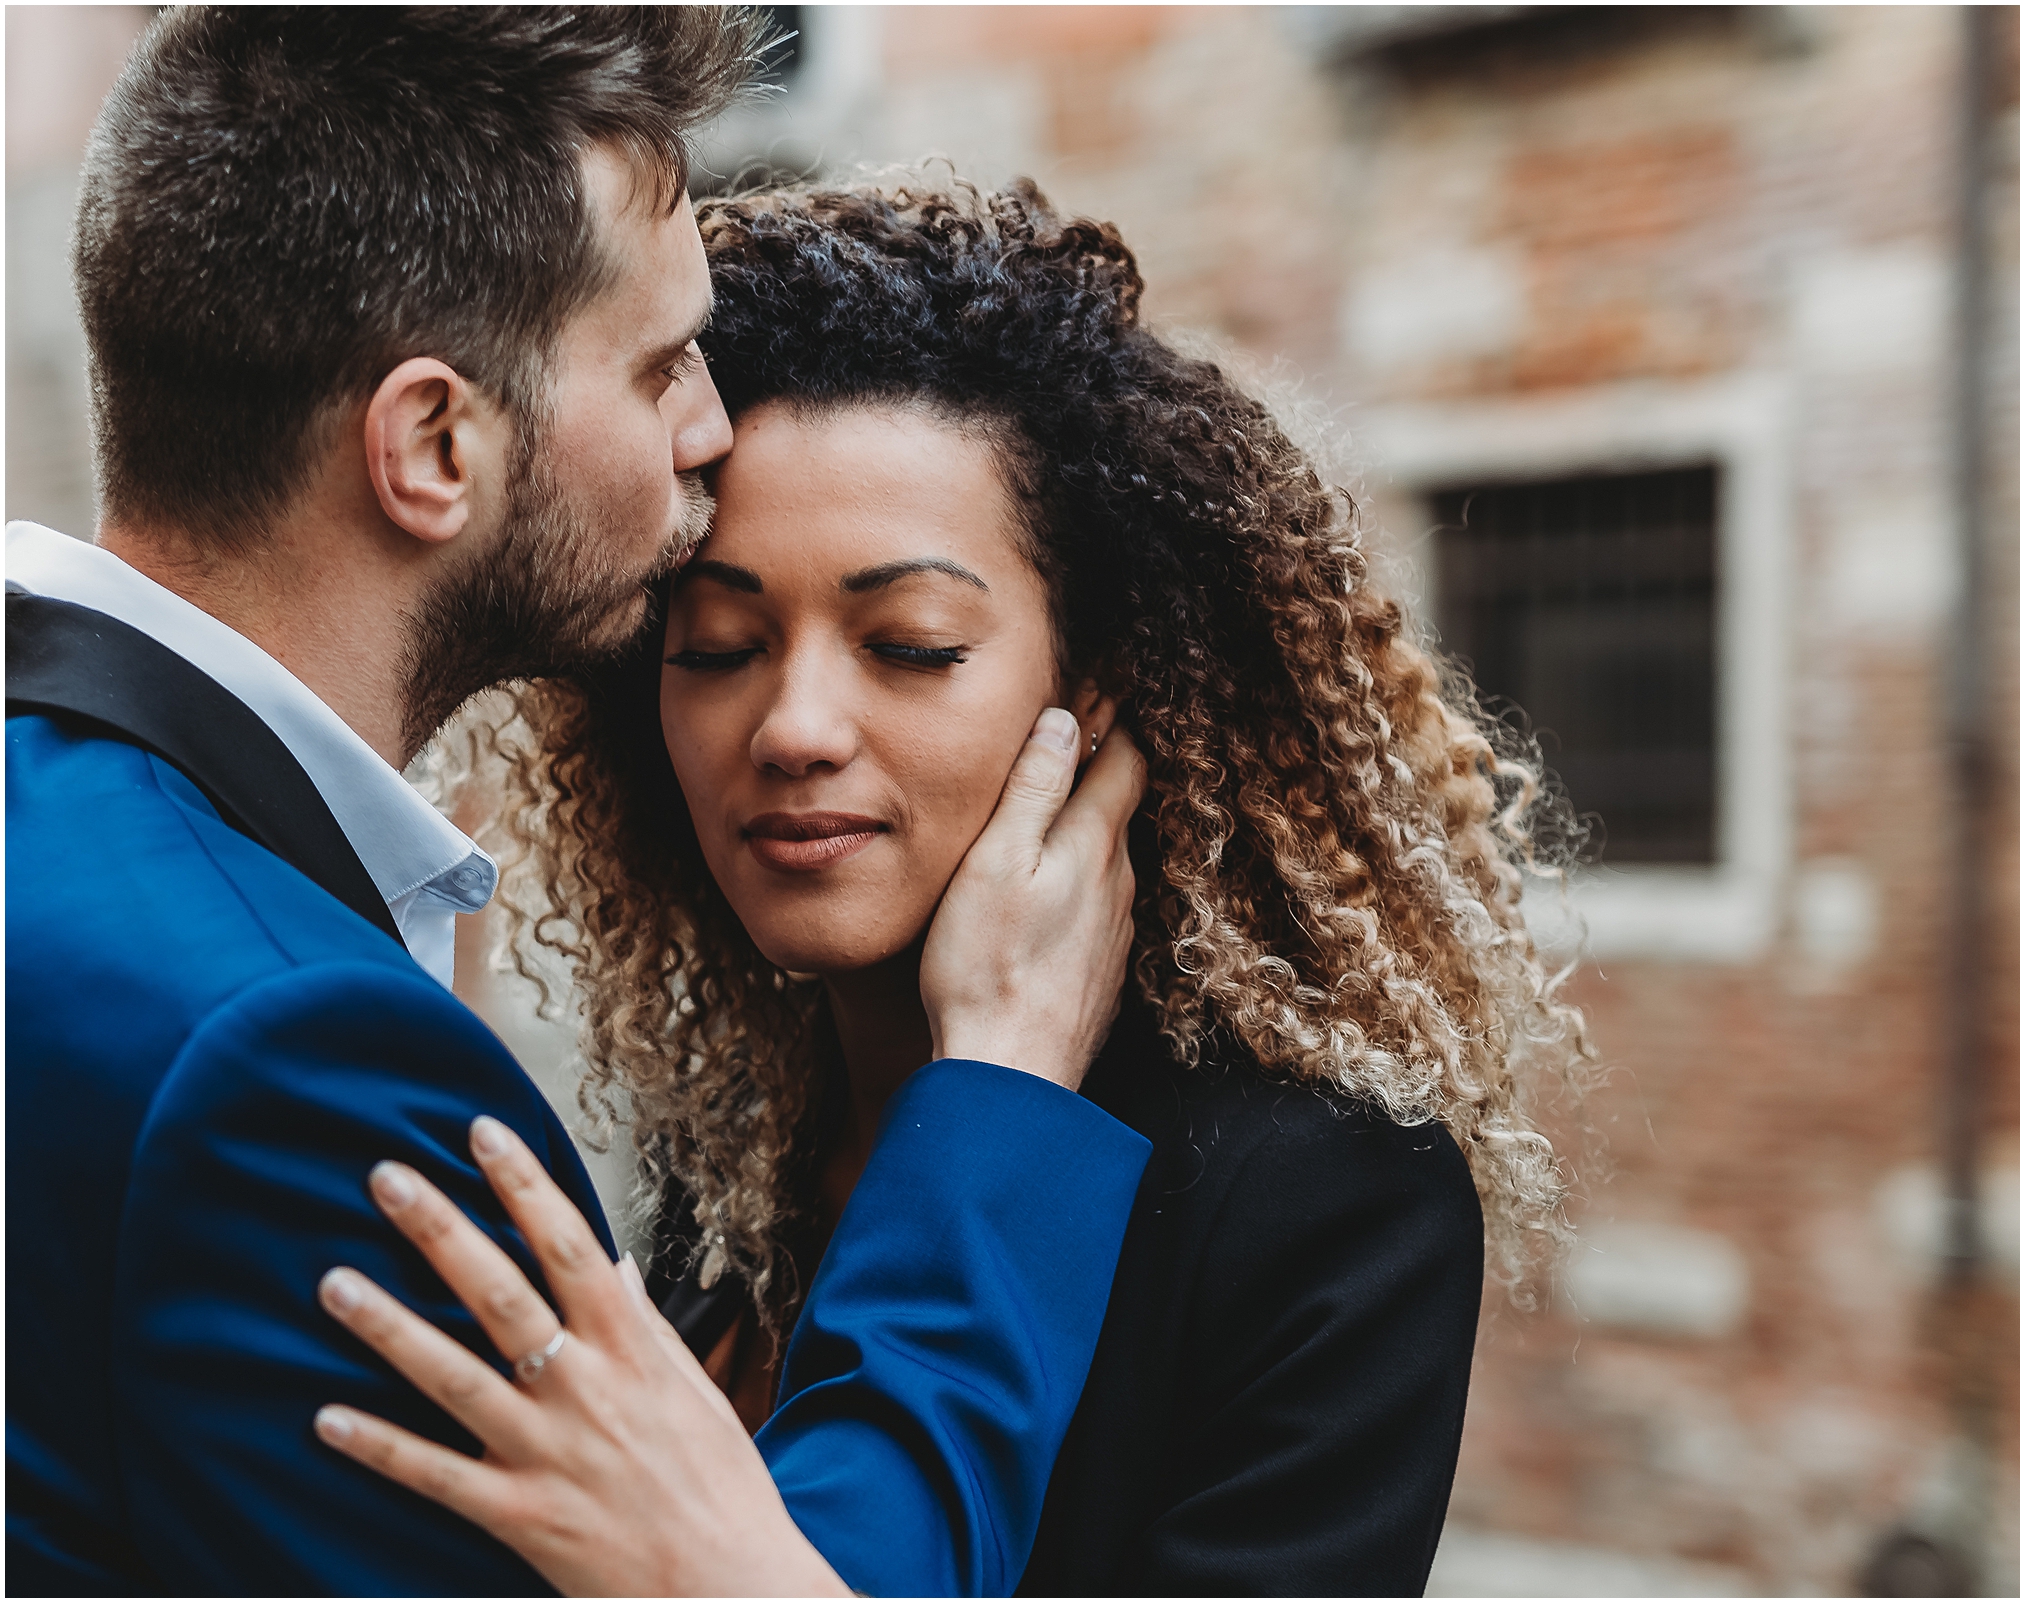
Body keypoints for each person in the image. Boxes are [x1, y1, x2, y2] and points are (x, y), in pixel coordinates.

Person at [5, 12, 1151, 1597]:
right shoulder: (287, 1061)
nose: (710, 429)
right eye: (661, 364)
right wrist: (1006, 1099)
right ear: (431, 444)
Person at [334, 176, 1592, 1595]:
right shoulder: (737, 1138)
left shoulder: (1322, 1192)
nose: (795, 727)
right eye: (722, 643)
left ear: (1102, 687)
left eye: (913, 644)